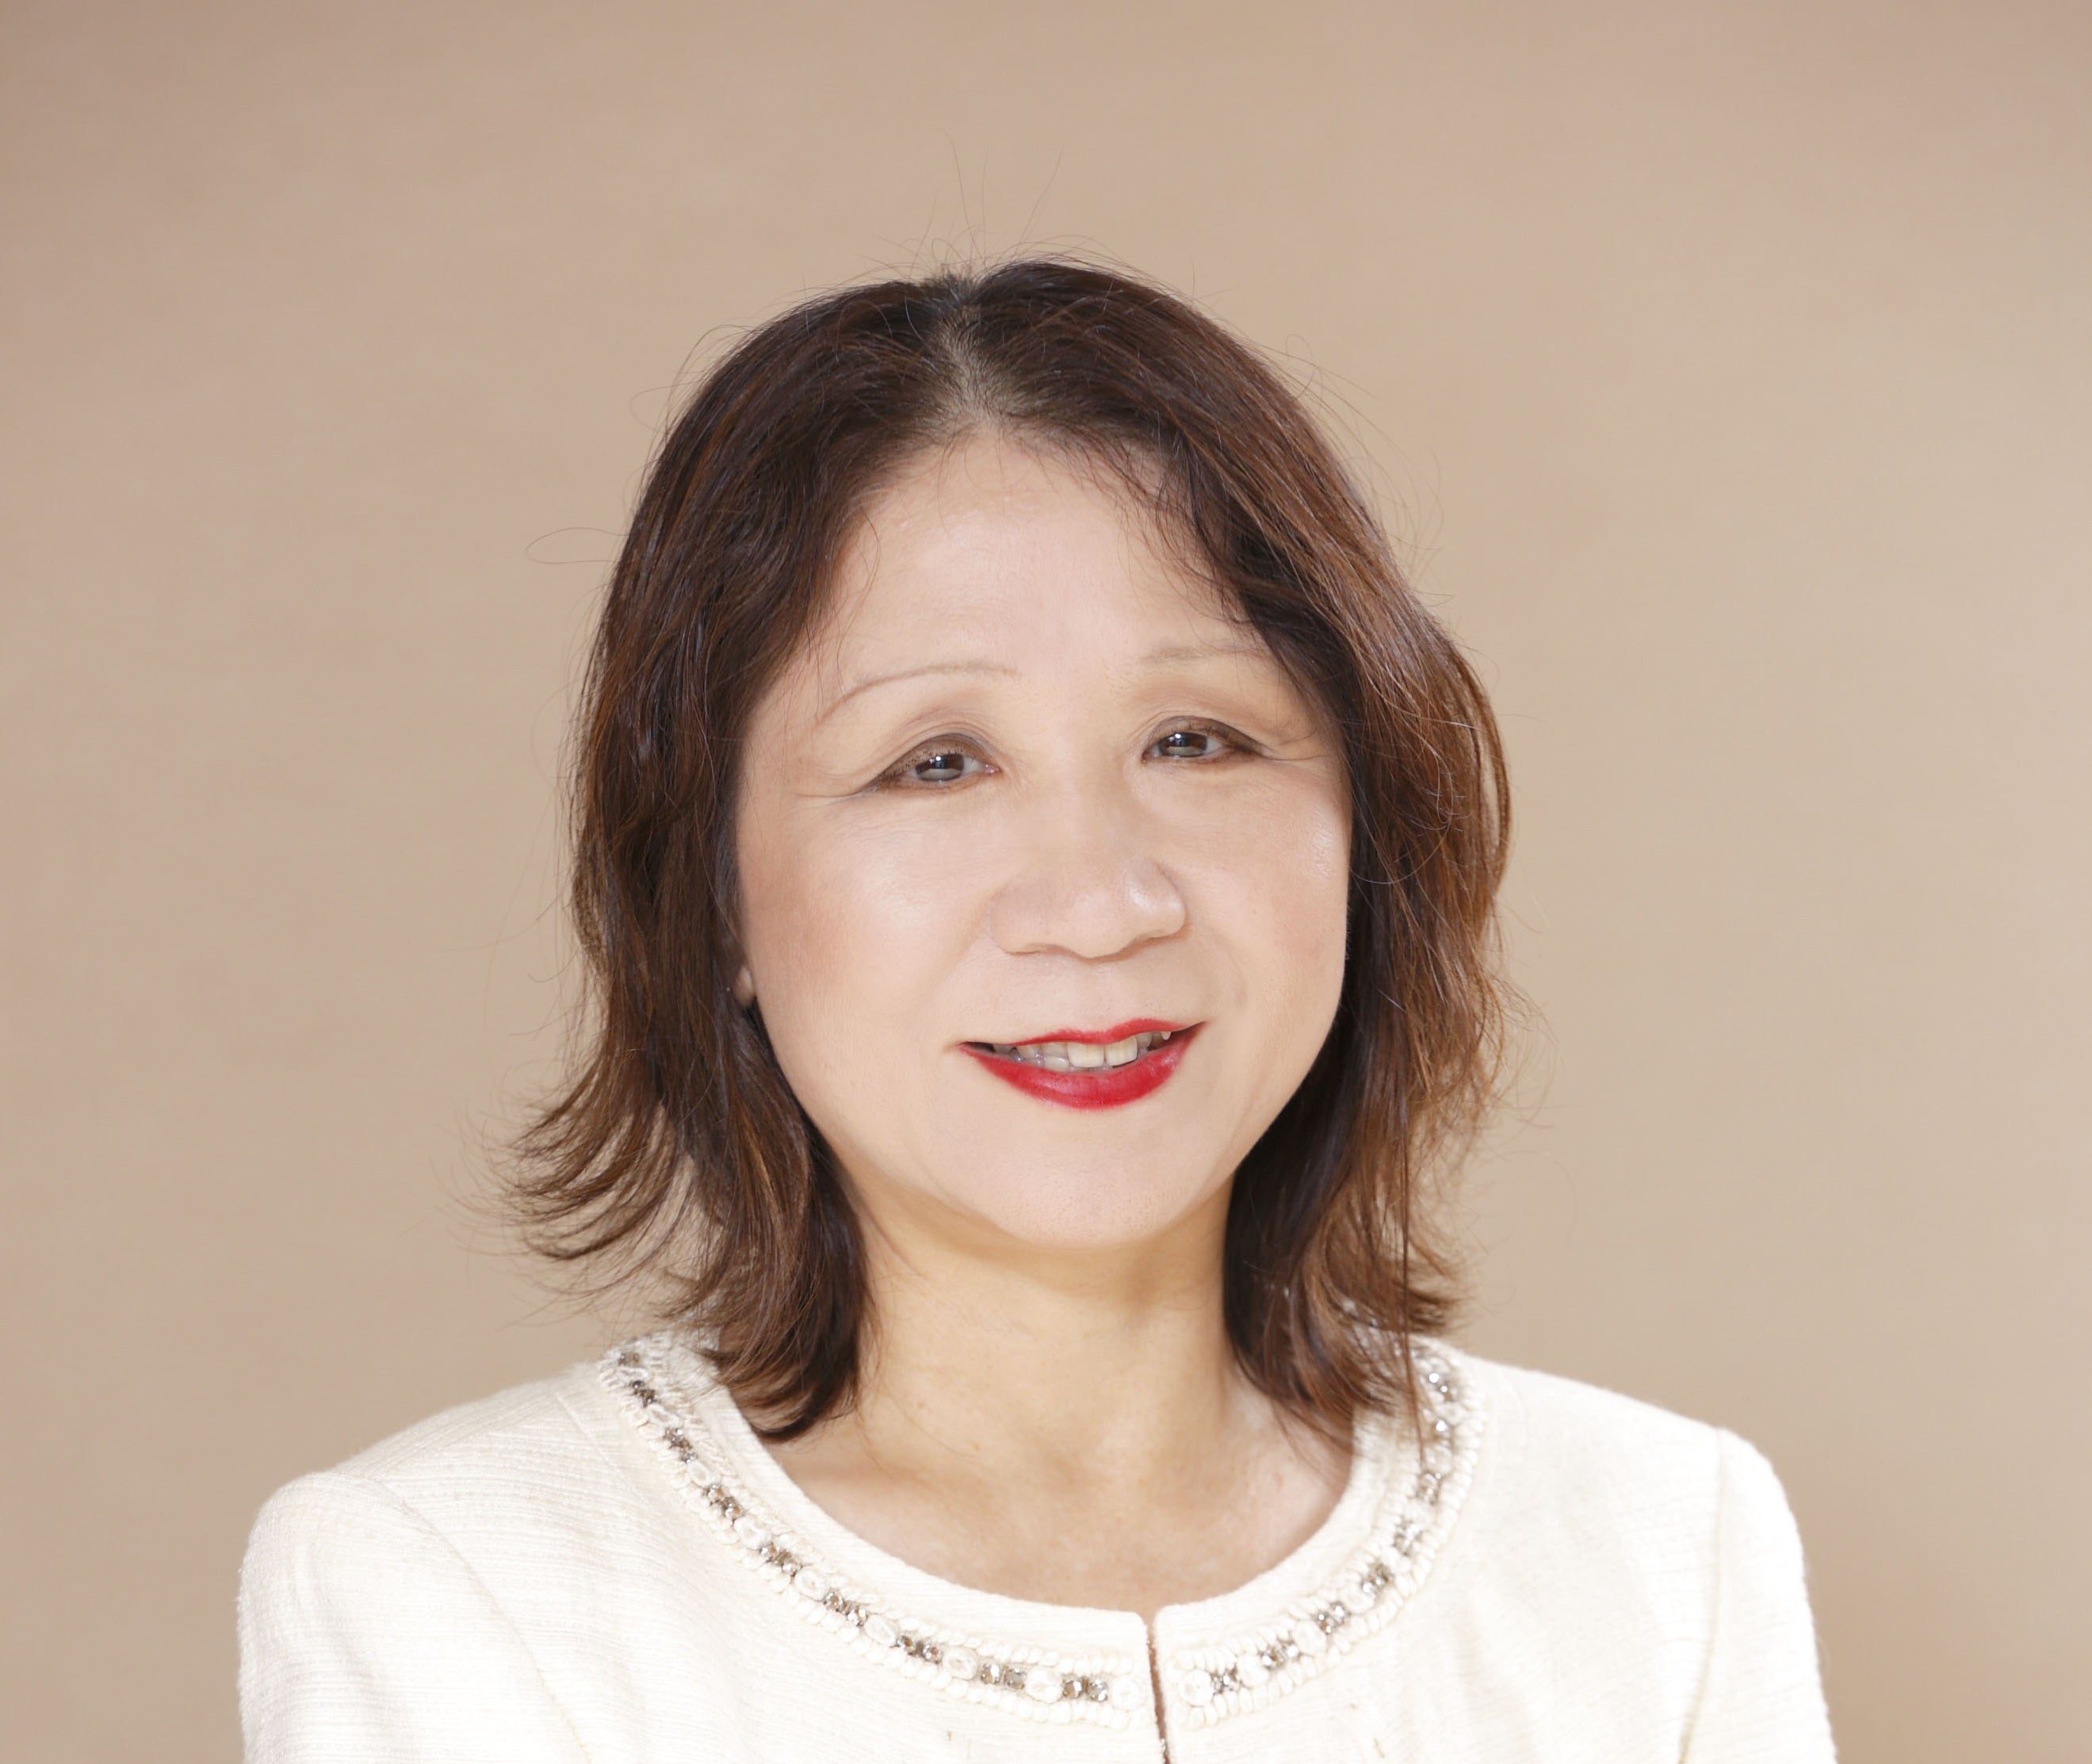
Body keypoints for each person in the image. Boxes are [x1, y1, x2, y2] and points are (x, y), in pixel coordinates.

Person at [236, 257, 1838, 1762]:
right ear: (712, 898)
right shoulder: (459, 1588)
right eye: (935, 763)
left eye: (1196, 739)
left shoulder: (1663, 1552)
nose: (1099, 903)